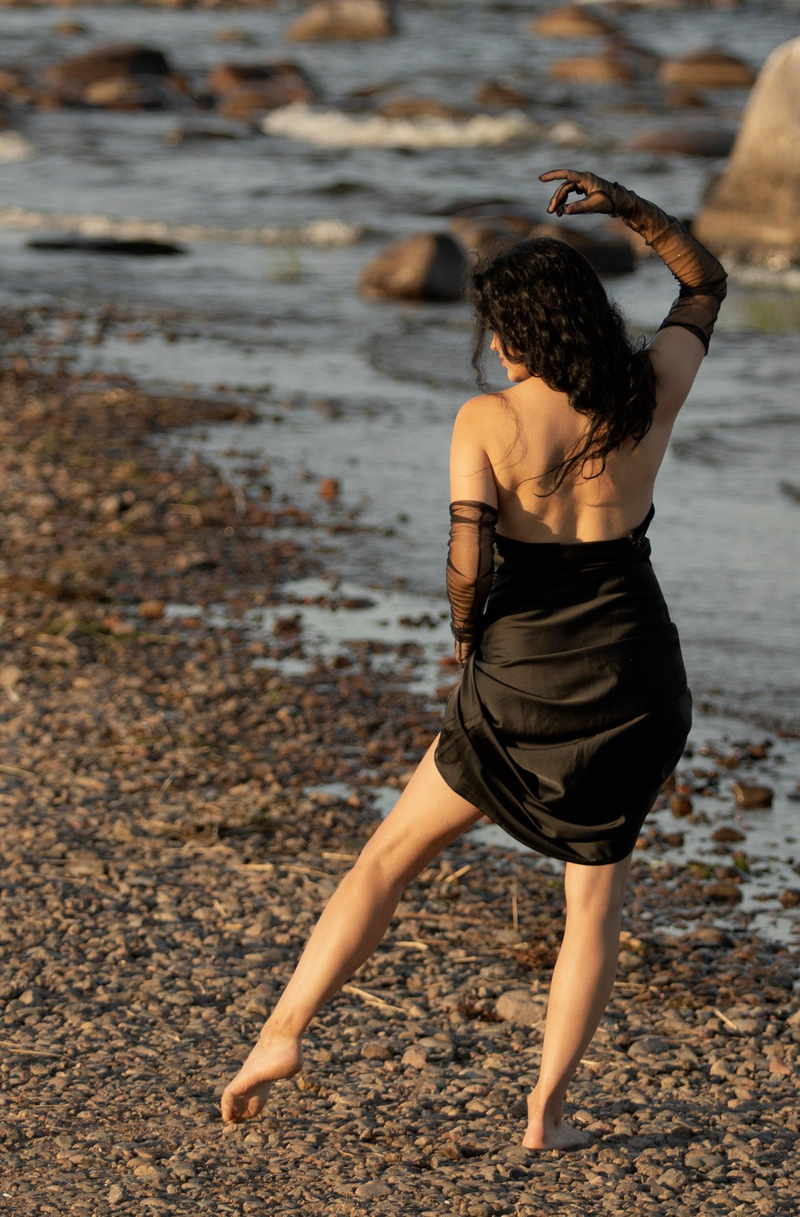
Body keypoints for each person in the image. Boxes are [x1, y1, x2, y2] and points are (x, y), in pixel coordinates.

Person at [220, 169, 728, 1147]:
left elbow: (468, 559)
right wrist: (629, 206)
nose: (491, 343)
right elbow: (702, 284)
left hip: (520, 671)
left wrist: (471, 647)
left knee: (386, 860)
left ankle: (281, 1033)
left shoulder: (487, 419)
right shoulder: (648, 391)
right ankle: (547, 1113)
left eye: (497, 327)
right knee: (593, 900)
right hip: (636, 673)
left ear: (517, 333)